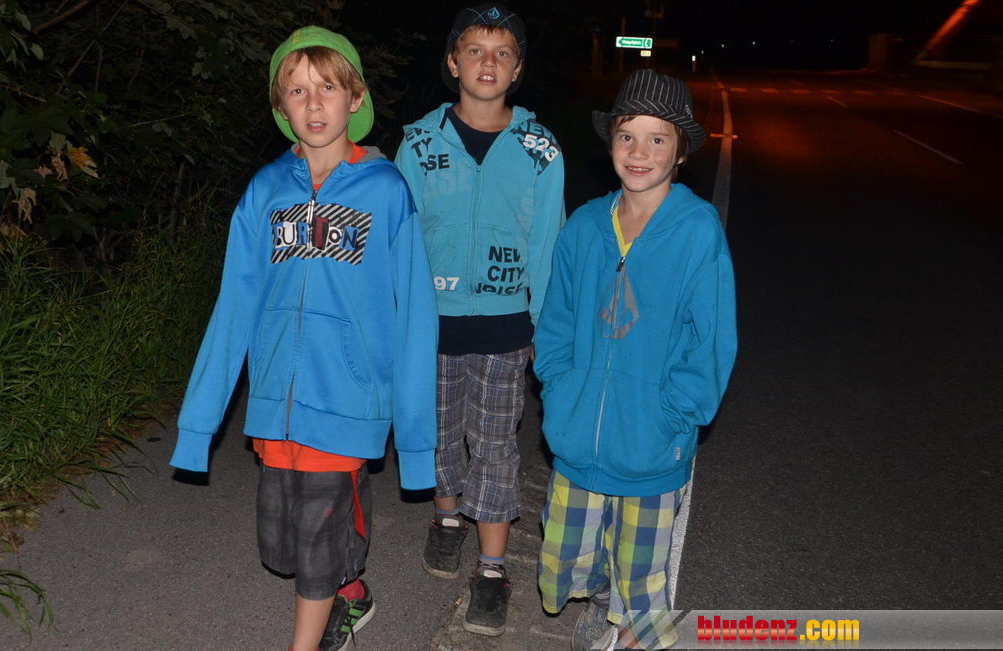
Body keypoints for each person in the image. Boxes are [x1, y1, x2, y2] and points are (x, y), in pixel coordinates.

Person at [168, 26, 438, 651]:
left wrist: (416, 441)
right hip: (275, 403)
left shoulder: (386, 191)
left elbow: (415, 318)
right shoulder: (264, 191)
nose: (314, 104)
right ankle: (352, 590)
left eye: (328, 88)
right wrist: (198, 425)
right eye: (297, 91)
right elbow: (233, 309)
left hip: (347, 399)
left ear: (356, 98)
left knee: (316, 538)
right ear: (280, 107)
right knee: (283, 544)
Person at [534, 69, 737, 650]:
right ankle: (603, 600)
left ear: (681, 152)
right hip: (578, 438)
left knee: (643, 577)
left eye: (657, 139)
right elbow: (555, 320)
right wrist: (559, 391)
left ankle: (630, 626)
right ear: (611, 143)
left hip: (652, 441)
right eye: (627, 136)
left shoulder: (696, 231)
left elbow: (711, 339)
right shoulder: (585, 226)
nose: (639, 152)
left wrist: (676, 415)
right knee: (567, 553)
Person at [393, 2, 565, 638]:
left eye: (502, 53)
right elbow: (400, 239)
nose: (487, 62)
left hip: (505, 326)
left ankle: (492, 570)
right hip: (432, 326)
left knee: (493, 443)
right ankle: (446, 519)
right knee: (439, 433)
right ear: (452, 63)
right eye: (475, 50)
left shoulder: (540, 150)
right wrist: (398, 318)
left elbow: (547, 245)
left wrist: (544, 330)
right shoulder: (418, 143)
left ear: (516, 70)